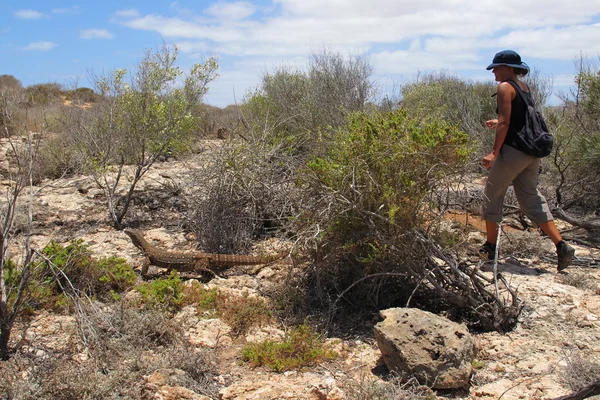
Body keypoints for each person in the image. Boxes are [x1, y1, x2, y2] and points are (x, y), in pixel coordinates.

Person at [481, 50, 574, 271]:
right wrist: (499, 120)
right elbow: (519, 118)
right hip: (530, 154)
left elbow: (506, 122)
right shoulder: (524, 87)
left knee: (491, 194)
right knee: (530, 198)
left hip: (513, 152)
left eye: (498, 66)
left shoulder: (505, 87)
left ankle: (490, 248)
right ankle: (561, 245)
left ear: (509, 68)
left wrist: (494, 152)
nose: (494, 71)